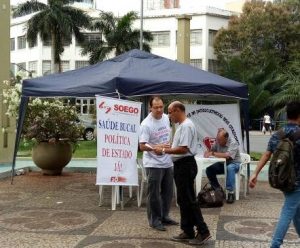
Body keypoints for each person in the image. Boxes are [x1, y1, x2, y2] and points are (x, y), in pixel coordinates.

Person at [154, 101, 211, 245]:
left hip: (185, 165)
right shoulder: (183, 126)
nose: (169, 115)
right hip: (182, 165)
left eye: (170, 112)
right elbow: (178, 146)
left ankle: (203, 231)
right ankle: (188, 230)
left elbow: (183, 149)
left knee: (189, 200)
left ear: (178, 110)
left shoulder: (186, 126)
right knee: (183, 200)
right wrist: (167, 147)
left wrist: (164, 150)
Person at [249, 101, 300, 248]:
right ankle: (275, 245)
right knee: (288, 212)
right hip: (297, 182)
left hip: (282, 179)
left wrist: (255, 174)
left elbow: (266, 155)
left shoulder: (278, 134)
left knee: (296, 212)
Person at [139, 96, 178, 232]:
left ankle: (164, 215)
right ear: (150, 108)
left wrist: (169, 146)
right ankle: (154, 220)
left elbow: (169, 135)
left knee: (168, 192)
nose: (159, 110)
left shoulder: (167, 118)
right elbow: (142, 146)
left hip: (167, 161)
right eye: (156, 107)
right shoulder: (146, 124)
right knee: (154, 194)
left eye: (161, 107)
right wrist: (156, 147)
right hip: (153, 163)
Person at [205, 128, 241, 204]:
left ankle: (230, 192)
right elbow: (211, 150)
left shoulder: (233, 142)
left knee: (229, 168)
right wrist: (208, 151)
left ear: (226, 138)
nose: (218, 141)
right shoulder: (218, 141)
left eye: (220, 140)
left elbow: (228, 156)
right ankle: (218, 189)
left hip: (234, 163)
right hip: (223, 163)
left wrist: (213, 153)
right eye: (217, 139)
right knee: (209, 169)